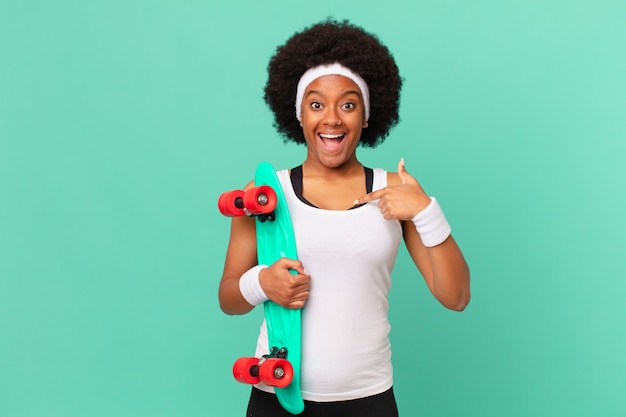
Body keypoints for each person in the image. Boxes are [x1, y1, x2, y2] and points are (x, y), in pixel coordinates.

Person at [219, 18, 470, 417]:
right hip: (276, 397)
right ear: (298, 114)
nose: (332, 119)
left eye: (348, 104)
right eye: (316, 104)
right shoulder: (265, 193)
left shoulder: (397, 192)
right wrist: (261, 282)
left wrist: (426, 210)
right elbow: (229, 298)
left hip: (368, 399)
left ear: (368, 116)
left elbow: (455, 297)